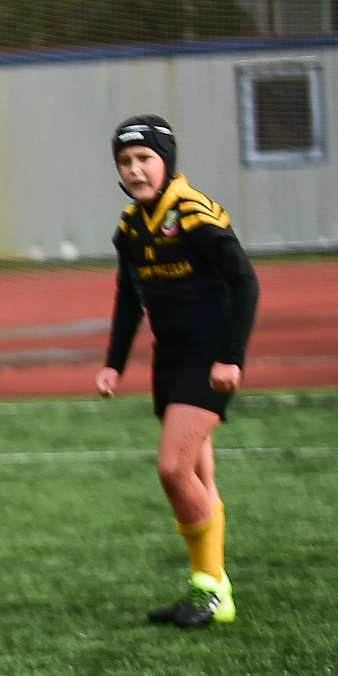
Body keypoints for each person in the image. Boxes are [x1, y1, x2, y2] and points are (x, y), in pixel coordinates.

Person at [94, 114, 260, 628]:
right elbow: (130, 299)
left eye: (144, 158)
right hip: (169, 357)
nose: (135, 169)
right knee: (199, 474)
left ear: (166, 161)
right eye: (126, 161)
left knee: (173, 469)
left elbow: (246, 283)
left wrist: (230, 356)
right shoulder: (130, 226)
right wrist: (113, 365)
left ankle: (207, 586)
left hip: (208, 355)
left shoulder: (192, 212)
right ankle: (217, 590)